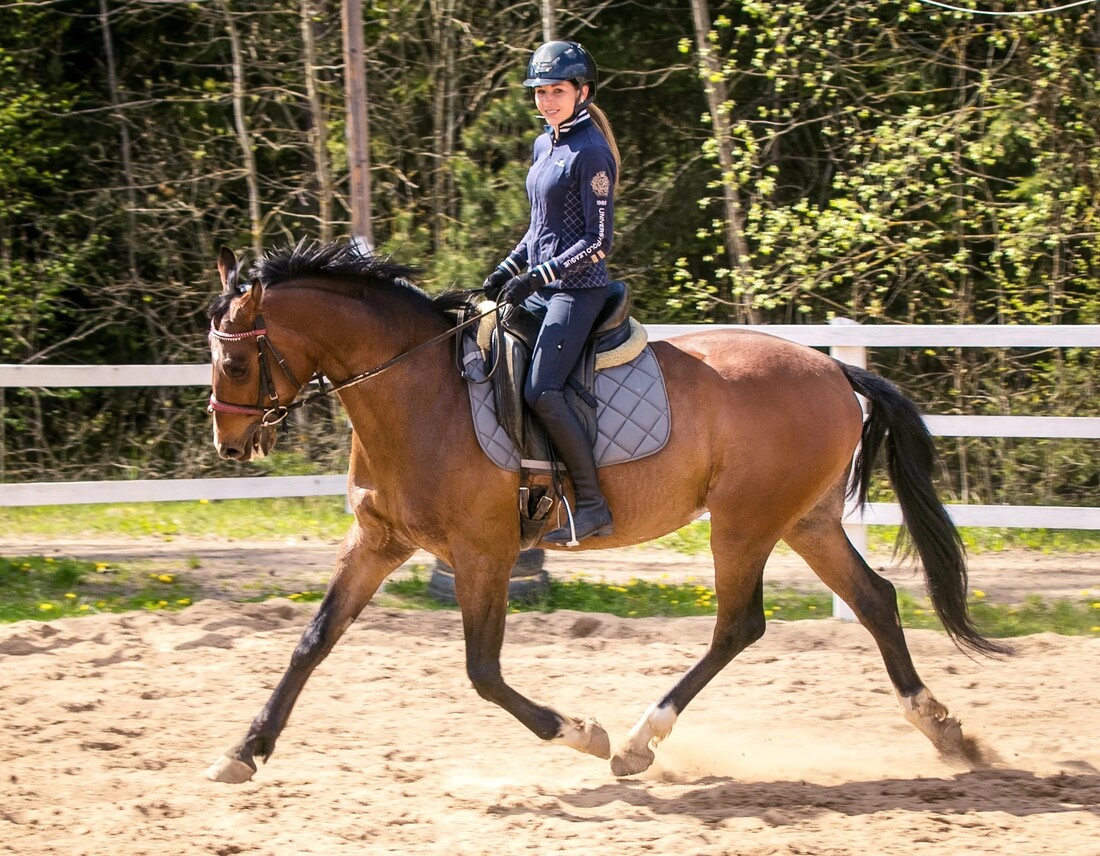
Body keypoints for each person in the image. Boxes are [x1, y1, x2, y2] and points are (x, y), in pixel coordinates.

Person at [482, 40, 622, 545]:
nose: (547, 100)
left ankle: (592, 503)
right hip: (542, 284)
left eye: (557, 91)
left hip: (576, 291)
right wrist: (508, 267)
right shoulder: (546, 145)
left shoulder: (592, 153)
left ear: (582, 91)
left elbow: (598, 241)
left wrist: (538, 277)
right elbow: (540, 227)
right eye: (540, 92)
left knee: (542, 388)